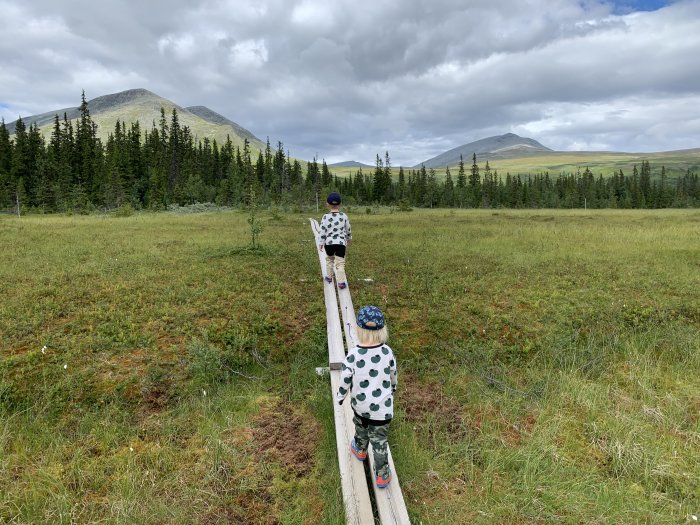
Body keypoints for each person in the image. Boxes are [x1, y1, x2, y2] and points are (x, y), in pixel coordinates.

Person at [337, 305, 397, 488]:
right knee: (379, 441)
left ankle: (360, 449)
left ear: (358, 329)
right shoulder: (387, 352)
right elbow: (393, 374)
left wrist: (340, 396)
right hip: (382, 410)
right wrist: (393, 388)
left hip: (361, 406)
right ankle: (382, 474)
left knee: (361, 428)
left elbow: (345, 379)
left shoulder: (353, 355)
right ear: (382, 330)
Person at [319, 192, 352, 289]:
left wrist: (321, 243)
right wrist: (349, 238)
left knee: (329, 260)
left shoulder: (325, 217)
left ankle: (329, 277)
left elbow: (322, 231)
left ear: (327, 204)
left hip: (329, 244)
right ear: (340, 204)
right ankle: (341, 283)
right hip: (341, 243)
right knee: (340, 263)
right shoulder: (344, 216)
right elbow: (348, 229)